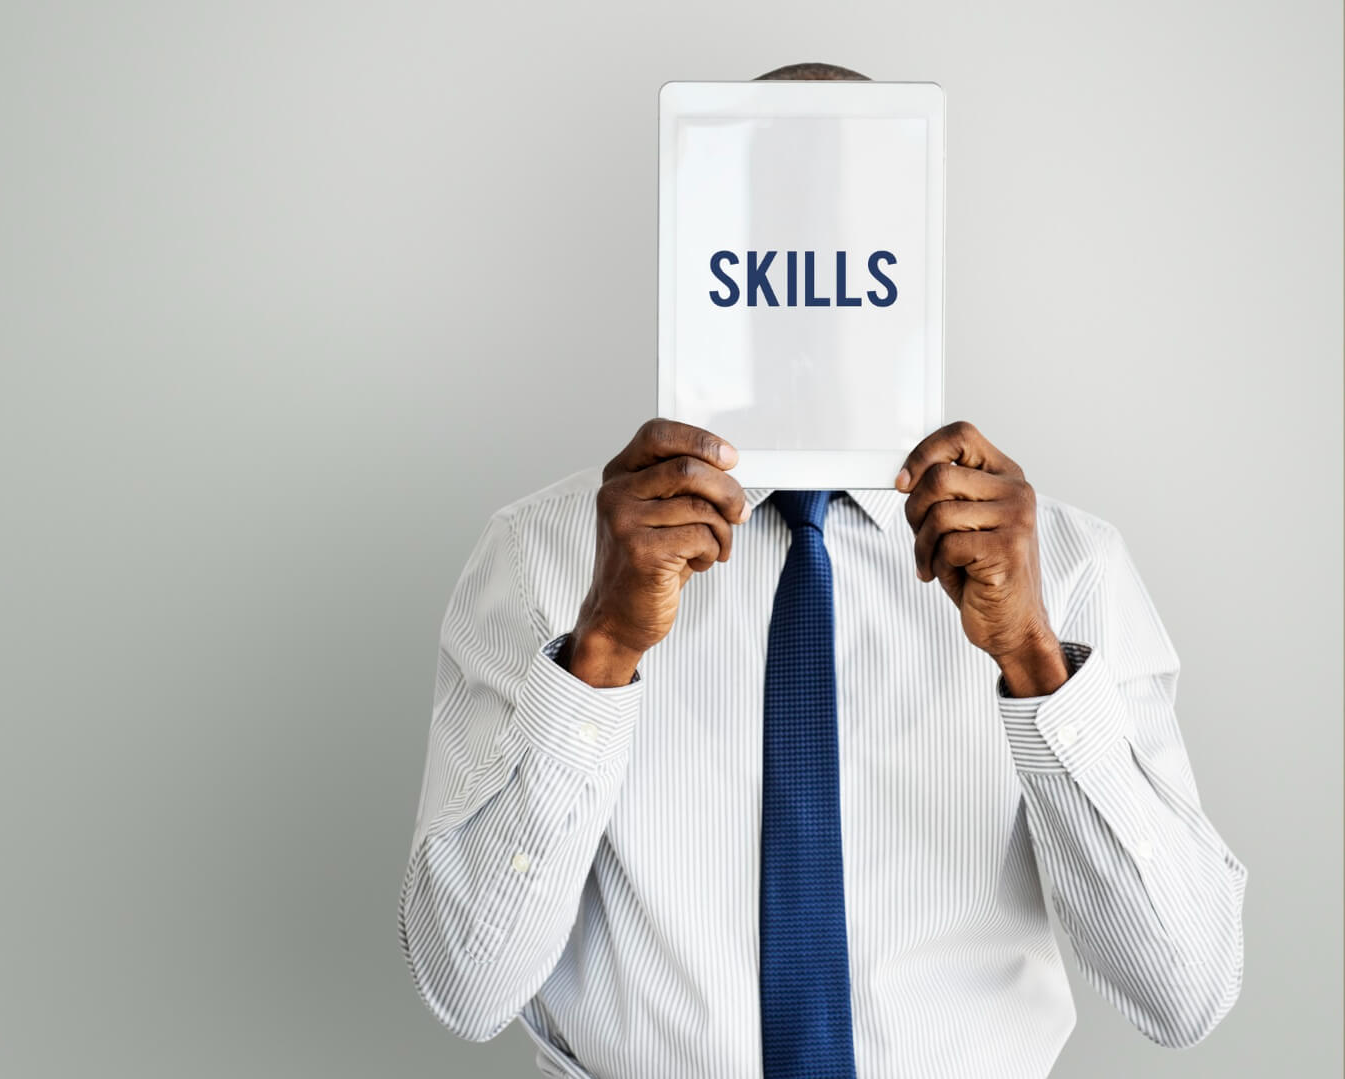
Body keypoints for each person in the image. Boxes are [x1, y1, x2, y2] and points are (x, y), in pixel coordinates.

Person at [396, 62, 1247, 1079]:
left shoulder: (1067, 566)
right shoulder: (544, 555)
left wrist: (1033, 655)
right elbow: (466, 984)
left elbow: (1184, 991)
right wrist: (600, 652)